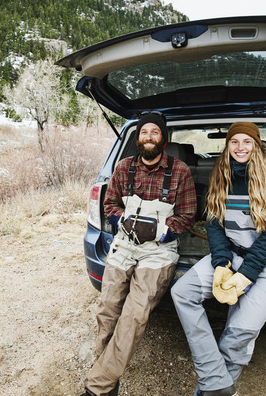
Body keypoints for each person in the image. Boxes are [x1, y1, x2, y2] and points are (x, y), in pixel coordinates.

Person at [171, 122, 266, 396]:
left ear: (256, 145)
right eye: (234, 142)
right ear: (227, 147)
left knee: (238, 335)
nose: (240, 148)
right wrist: (221, 264)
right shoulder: (221, 176)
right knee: (181, 292)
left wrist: (245, 275)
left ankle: (211, 389)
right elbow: (214, 224)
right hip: (232, 257)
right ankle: (217, 382)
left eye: (246, 142)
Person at [82, 113, 197, 396]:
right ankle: (107, 373)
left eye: (154, 132)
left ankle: (98, 386)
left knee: (134, 313)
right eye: (144, 132)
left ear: (163, 139)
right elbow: (109, 204)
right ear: (138, 139)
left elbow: (188, 215)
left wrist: (161, 231)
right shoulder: (123, 168)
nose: (148, 136)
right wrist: (123, 220)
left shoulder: (180, 170)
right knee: (107, 308)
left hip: (158, 253)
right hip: (124, 245)